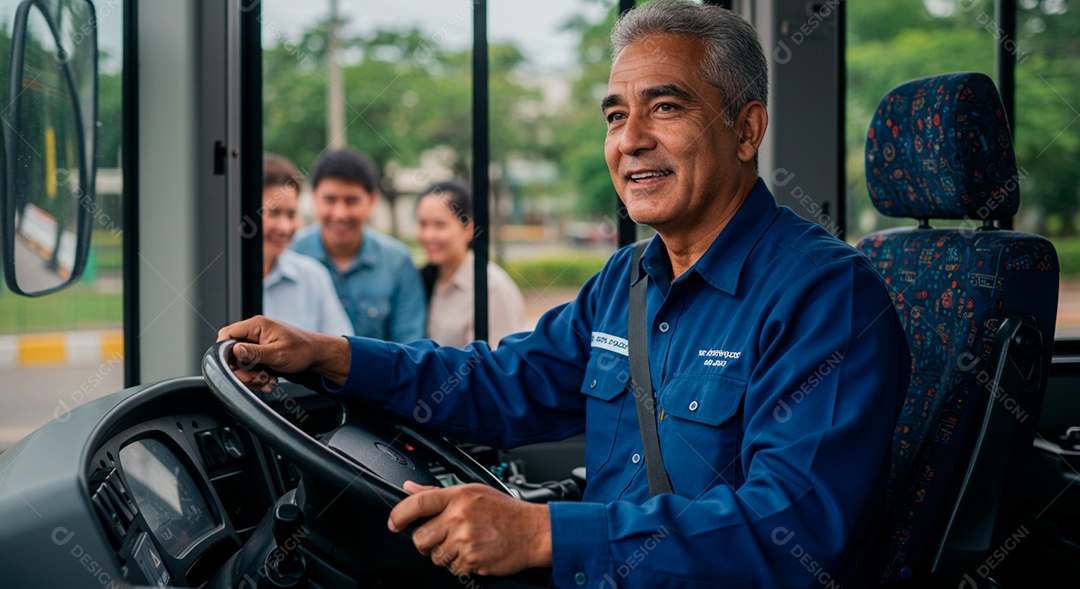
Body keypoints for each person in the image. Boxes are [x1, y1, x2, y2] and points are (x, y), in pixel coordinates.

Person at [220, 2, 909, 587]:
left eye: (665, 107)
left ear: (747, 129)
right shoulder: (627, 280)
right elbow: (496, 381)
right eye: (615, 116)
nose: (631, 141)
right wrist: (332, 355)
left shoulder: (828, 296)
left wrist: (546, 533)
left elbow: (795, 527)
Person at [290, 148, 426, 342]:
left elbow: (409, 347)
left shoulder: (397, 262)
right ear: (314, 198)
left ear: (372, 201)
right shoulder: (291, 254)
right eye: (330, 200)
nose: (340, 214)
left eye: (351, 201)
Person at [415, 180, 525, 348]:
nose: (428, 235)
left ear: (468, 229)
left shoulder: (491, 288)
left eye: (440, 225)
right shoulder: (427, 279)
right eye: (423, 224)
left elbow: (500, 364)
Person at [260, 154, 353, 336]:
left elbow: (341, 353)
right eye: (273, 213)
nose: (285, 227)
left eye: (291, 214)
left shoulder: (312, 278)